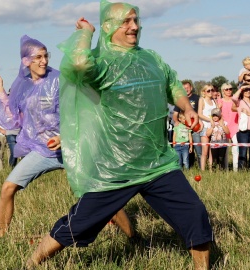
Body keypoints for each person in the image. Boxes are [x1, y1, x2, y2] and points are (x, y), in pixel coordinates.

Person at [27, 2, 213, 269]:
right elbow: (78, 63)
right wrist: (86, 33)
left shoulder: (151, 58)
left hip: (157, 163)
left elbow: (171, 83)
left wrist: (186, 107)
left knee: (194, 214)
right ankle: (32, 262)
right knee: (78, 224)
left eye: (135, 20)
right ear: (108, 26)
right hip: (116, 167)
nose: (134, 27)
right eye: (126, 22)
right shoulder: (102, 63)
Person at [0, 35, 134, 238]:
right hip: (42, 150)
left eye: (45, 56)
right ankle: (1, 236)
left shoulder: (60, 80)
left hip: (71, 147)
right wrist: (0, 91)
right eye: (38, 57)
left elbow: (79, 109)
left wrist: (63, 136)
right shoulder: (22, 86)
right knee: (7, 187)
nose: (44, 61)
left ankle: (133, 238)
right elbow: (13, 117)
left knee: (100, 195)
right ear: (26, 61)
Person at [172, 80, 201, 167]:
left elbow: (200, 112)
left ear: (191, 88)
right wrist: (176, 121)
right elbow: (175, 114)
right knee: (186, 148)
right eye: (184, 88)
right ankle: (190, 165)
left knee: (198, 148)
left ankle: (201, 166)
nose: (186, 89)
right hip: (184, 128)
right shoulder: (180, 100)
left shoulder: (197, 98)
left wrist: (200, 123)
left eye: (188, 88)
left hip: (195, 126)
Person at [218, 83, 238, 171]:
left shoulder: (235, 100)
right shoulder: (220, 101)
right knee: (224, 149)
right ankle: (225, 168)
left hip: (235, 125)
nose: (229, 91)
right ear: (223, 91)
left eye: (230, 89)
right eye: (226, 89)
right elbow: (216, 113)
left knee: (235, 147)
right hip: (224, 126)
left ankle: (235, 168)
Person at [198, 84, 217, 170]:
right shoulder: (202, 100)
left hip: (213, 127)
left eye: (212, 90)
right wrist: (210, 120)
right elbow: (200, 114)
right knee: (204, 151)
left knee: (211, 151)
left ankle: (210, 169)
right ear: (204, 92)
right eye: (208, 90)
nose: (210, 92)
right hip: (205, 127)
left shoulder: (214, 101)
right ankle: (202, 169)